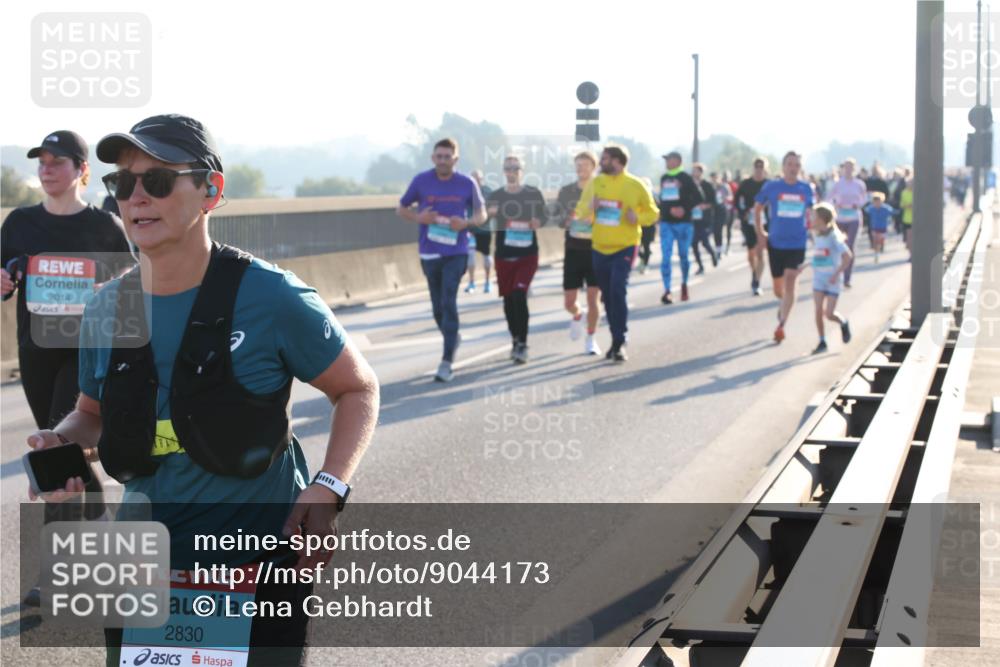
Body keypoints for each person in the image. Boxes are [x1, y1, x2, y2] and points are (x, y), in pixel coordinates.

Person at [27, 114, 380, 666]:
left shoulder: (273, 297)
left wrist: (328, 486)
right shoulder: (106, 308)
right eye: (123, 183)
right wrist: (62, 443)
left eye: (159, 181)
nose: (137, 196)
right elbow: (91, 413)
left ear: (211, 191)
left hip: (257, 563)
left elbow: (356, 388)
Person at [3, 130, 134, 607]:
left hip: (85, 351)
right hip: (36, 352)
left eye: (58, 162)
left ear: (81, 171)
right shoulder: (18, 222)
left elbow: (130, 286)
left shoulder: (104, 227)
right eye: (41, 161)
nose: (46, 169)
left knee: (58, 448)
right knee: (64, 454)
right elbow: (2, 283)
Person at [398, 138, 486, 382]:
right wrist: (419, 218)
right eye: (439, 156)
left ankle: (446, 361)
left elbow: (482, 214)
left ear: (455, 159)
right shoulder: (421, 181)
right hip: (429, 251)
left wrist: (466, 223)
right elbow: (401, 208)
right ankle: (452, 335)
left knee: (449, 300)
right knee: (437, 307)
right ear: (433, 158)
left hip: (456, 251)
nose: (443, 160)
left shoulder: (466, 183)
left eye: (448, 157)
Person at [575, 144, 659, 361]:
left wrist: (637, 218)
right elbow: (581, 212)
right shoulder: (596, 183)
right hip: (600, 247)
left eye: (605, 159)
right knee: (608, 297)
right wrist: (591, 207)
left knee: (618, 290)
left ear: (618, 162)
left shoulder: (635, 185)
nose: (601, 162)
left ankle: (619, 341)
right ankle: (615, 337)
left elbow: (653, 213)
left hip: (625, 246)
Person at [487, 155, 546, 364]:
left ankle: (523, 343)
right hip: (504, 254)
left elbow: (544, 216)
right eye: (508, 168)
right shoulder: (496, 195)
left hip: (527, 254)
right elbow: (485, 214)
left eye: (515, 168)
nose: (512, 171)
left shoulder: (533, 193)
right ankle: (515, 338)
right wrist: (490, 213)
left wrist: (538, 221)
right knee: (509, 299)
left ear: (522, 170)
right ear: (504, 171)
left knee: (520, 294)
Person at [754, 151, 814, 343]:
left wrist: (818, 233)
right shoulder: (772, 187)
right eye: (789, 164)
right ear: (783, 167)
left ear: (800, 168)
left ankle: (782, 324)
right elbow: (757, 208)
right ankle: (782, 304)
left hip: (797, 243)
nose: (793, 168)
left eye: (796, 165)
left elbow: (812, 213)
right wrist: (760, 232)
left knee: (791, 281)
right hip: (776, 243)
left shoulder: (806, 188)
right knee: (779, 289)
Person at [555, 150, 602, 356]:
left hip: (595, 250)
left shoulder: (601, 189)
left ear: (594, 166)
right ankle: (577, 315)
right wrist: (566, 221)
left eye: (584, 164)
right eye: (577, 165)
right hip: (573, 249)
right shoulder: (566, 191)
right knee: (568, 302)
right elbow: (556, 217)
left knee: (594, 299)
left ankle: (591, 339)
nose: (580, 168)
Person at [656, 151, 700, 304]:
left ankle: (684, 284)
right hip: (667, 223)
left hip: (684, 223)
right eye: (666, 159)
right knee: (666, 257)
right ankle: (667, 290)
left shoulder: (686, 178)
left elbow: (698, 197)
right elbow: (663, 200)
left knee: (683, 255)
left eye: (669, 159)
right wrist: (667, 211)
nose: (667, 162)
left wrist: (684, 209)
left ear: (677, 161)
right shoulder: (664, 178)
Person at [809, 203, 853, 354]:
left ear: (821, 218)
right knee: (817, 310)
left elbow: (847, 256)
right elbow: (819, 254)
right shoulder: (816, 234)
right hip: (819, 278)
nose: (811, 219)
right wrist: (804, 266)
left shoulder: (834, 236)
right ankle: (822, 341)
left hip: (832, 280)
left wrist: (836, 274)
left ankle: (843, 323)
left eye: (814, 216)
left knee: (829, 314)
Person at [827, 158, 867, 288]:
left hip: (854, 218)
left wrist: (858, 204)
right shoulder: (838, 184)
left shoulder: (859, 184)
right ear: (843, 168)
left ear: (854, 169)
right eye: (846, 167)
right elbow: (829, 198)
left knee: (850, 246)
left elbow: (864, 199)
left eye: (851, 167)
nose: (848, 169)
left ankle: (847, 278)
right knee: (839, 247)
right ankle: (837, 273)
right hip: (840, 218)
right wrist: (835, 204)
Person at [735, 158, 769, 296]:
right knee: (751, 253)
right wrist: (743, 212)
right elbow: (736, 201)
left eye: (761, 167)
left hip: (765, 222)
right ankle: (754, 272)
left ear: (765, 169)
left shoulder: (769, 184)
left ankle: (756, 281)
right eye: (757, 166)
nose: (759, 169)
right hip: (749, 221)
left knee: (760, 251)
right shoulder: (745, 184)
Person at [465, 169, 494, 294]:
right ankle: (471, 282)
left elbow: (494, 208)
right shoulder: (466, 191)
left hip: (484, 230)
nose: (476, 181)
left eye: (478, 178)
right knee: (470, 256)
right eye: (473, 178)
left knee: (486, 255)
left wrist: (486, 216)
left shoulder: (487, 191)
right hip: (471, 230)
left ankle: (488, 281)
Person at [690, 163, 718, 275]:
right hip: (693, 218)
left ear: (701, 172)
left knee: (705, 242)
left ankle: (713, 254)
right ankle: (700, 265)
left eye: (696, 171)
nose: (694, 173)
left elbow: (714, 201)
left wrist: (704, 206)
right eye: (693, 171)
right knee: (694, 243)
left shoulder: (707, 185)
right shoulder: (690, 185)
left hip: (705, 218)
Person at [863, 192, 895, 261]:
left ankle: (881, 246)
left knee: (881, 239)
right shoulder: (871, 208)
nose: (877, 203)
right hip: (874, 226)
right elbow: (865, 210)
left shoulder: (885, 208)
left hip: (883, 227)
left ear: (882, 201)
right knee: (875, 240)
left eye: (878, 201)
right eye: (875, 202)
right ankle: (876, 254)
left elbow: (892, 211)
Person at [636, 176, 657, 274]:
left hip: (649, 226)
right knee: (636, 248)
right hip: (637, 226)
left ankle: (644, 265)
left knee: (646, 246)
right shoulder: (635, 197)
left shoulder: (653, 198)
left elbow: (657, 212)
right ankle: (643, 257)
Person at [900, 176, 914, 258]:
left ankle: (913, 255)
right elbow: (901, 204)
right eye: (908, 183)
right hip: (907, 218)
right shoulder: (904, 192)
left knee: (914, 239)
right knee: (908, 239)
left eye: (911, 183)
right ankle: (910, 255)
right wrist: (907, 206)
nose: (910, 185)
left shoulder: (917, 192)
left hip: (916, 219)